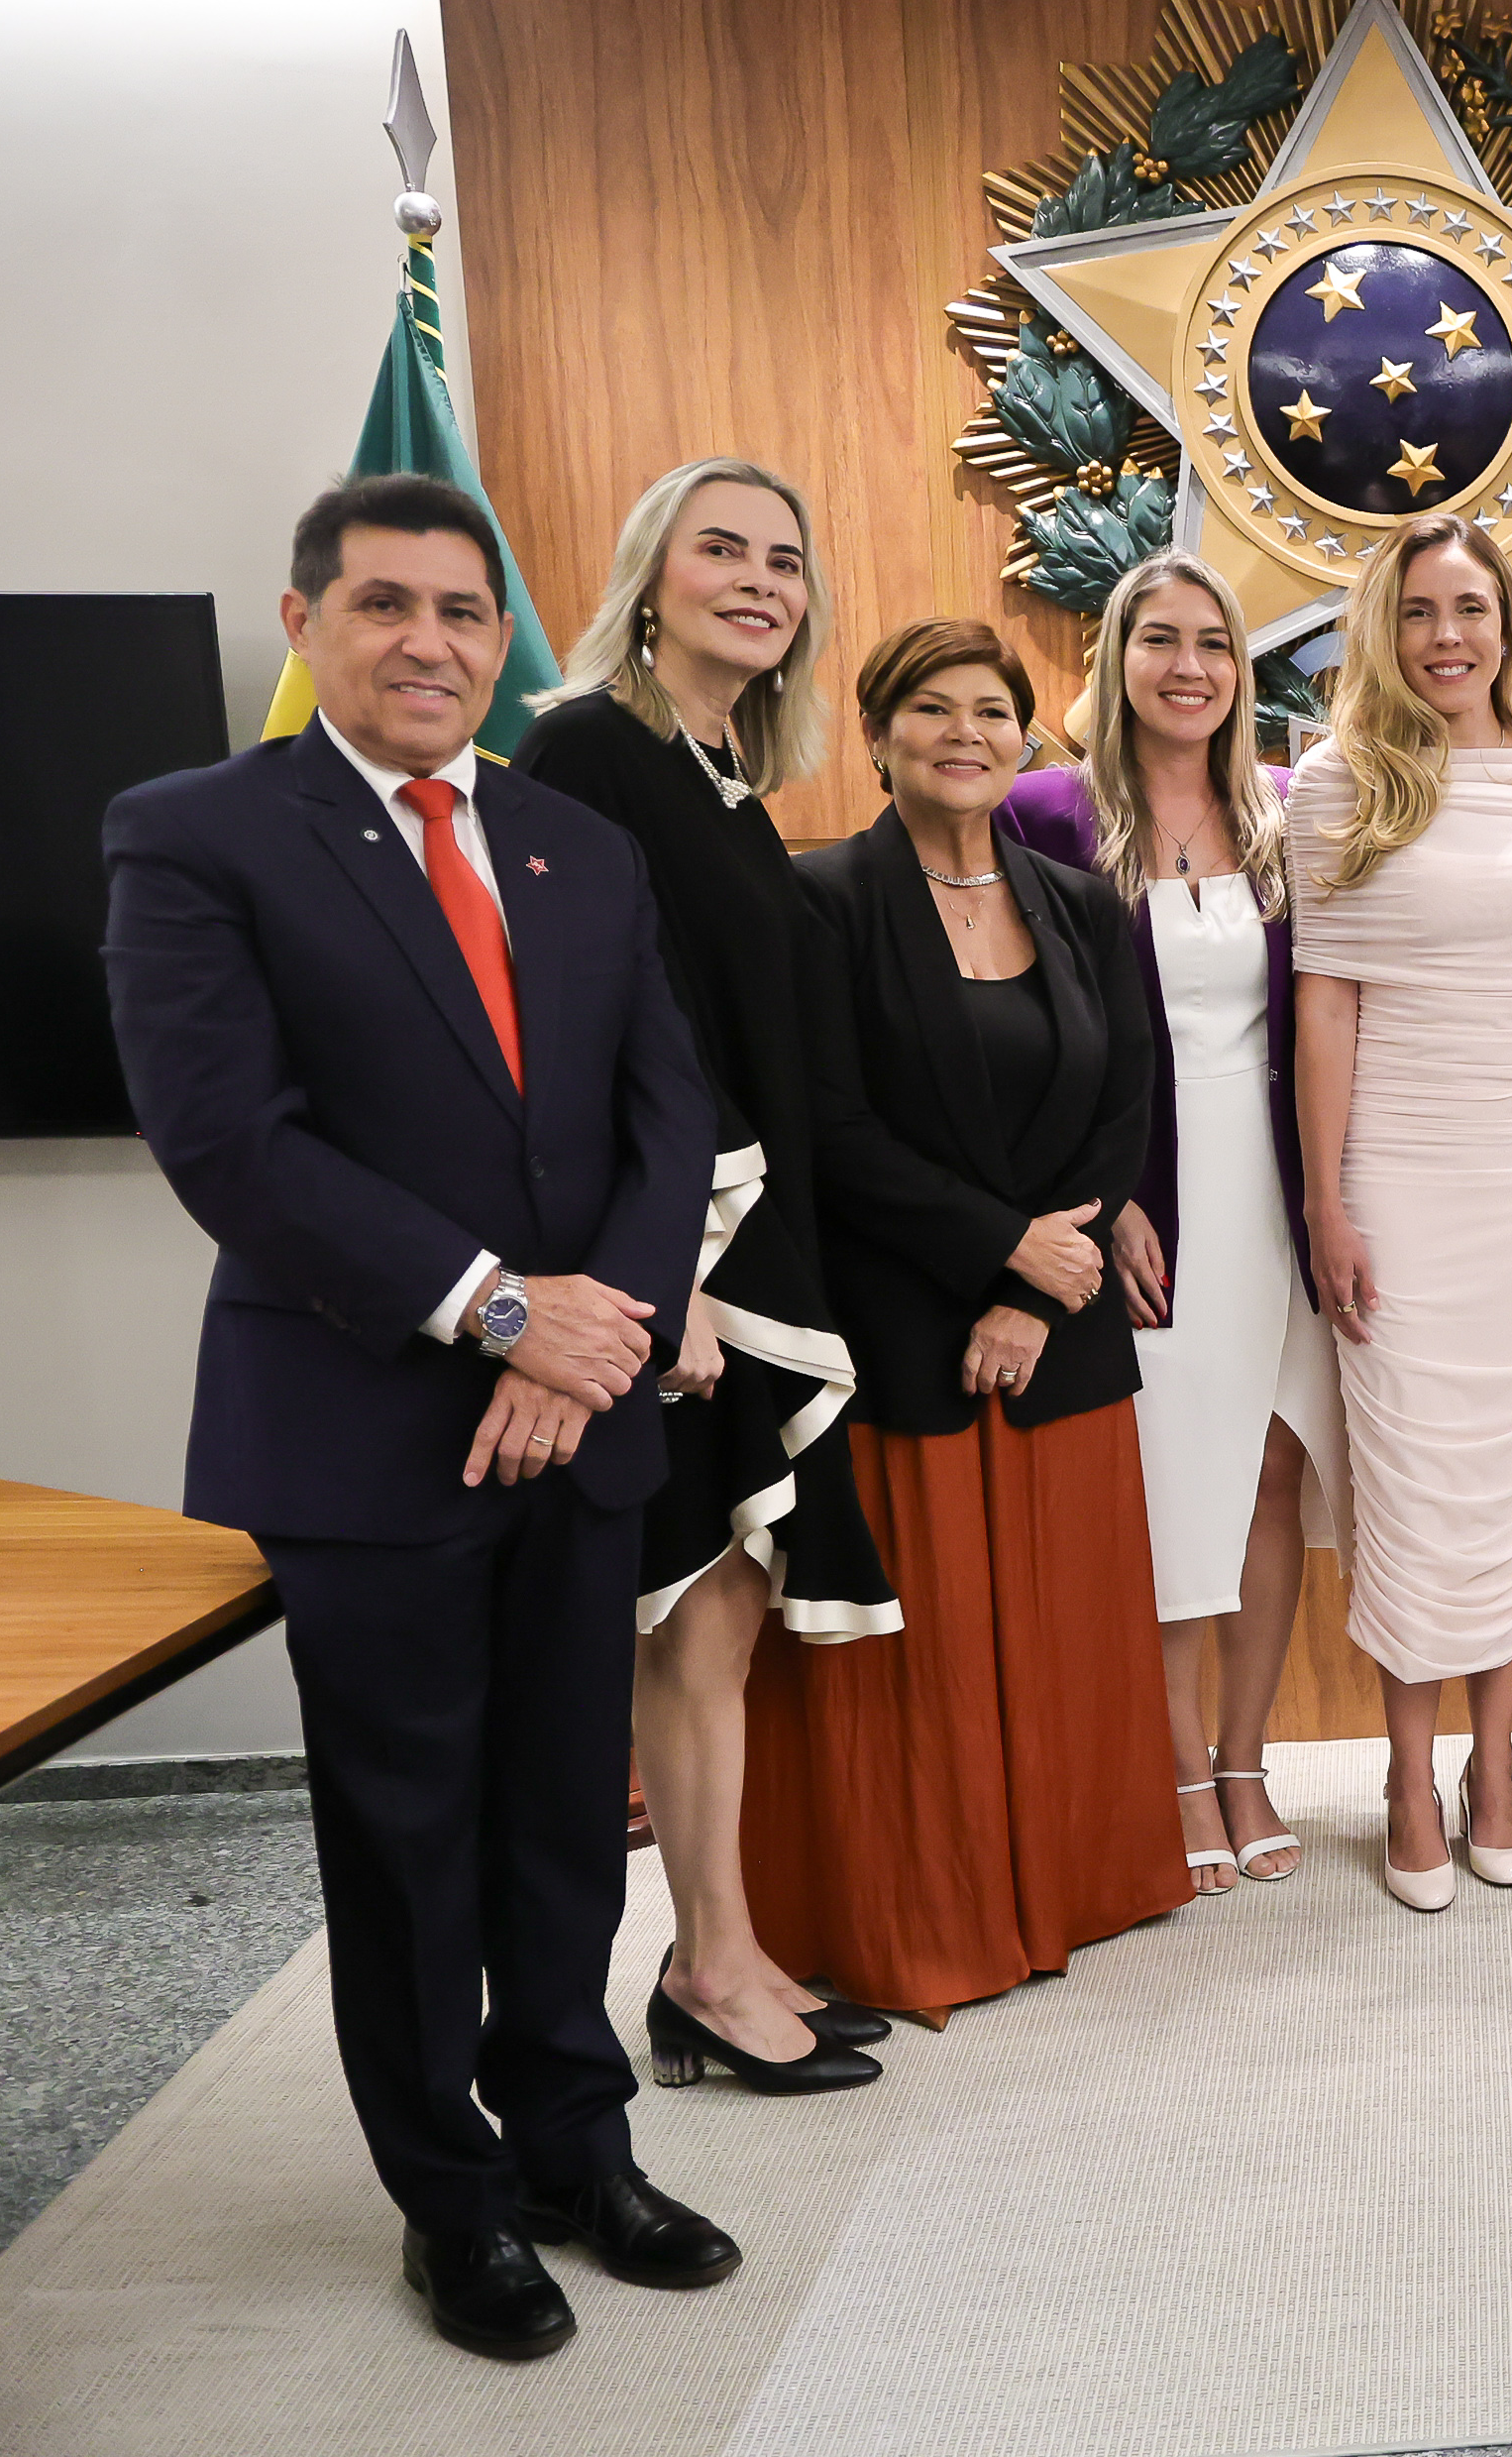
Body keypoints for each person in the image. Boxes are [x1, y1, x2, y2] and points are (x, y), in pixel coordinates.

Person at [102, 473, 730, 2360]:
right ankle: (449, 2203)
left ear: (500, 636)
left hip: (580, 1418)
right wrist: (504, 1316)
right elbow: (231, 1144)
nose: (430, 643)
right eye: (384, 605)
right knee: (407, 1836)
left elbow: (665, 1112)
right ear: (308, 624)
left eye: (463, 611)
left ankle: (575, 2147)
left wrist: (587, 1345)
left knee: (564, 1814)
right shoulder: (196, 834)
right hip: (367, 1427)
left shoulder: (572, 843)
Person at [512, 458, 891, 2095]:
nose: (757, 579)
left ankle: (713, 1955)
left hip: (757, 1233)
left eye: (783, 560)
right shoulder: (587, 747)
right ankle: (709, 1970)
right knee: (692, 1610)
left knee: (723, 1612)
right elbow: (576, 1033)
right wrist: (665, 1278)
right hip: (687, 1253)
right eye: (719, 549)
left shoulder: (722, 770)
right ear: (647, 578)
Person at [743, 618, 1182, 2018]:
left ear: (1024, 737)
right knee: (922, 1663)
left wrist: (1036, 1287)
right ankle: (935, 1921)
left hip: (1059, 1328)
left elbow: (1126, 1106)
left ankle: (1075, 1888)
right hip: (899, 1329)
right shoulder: (819, 899)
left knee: (1063, 1630)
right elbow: (825, 1127)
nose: (964, 734)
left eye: (990, 711)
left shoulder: (1086, 904)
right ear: (878, 736)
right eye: (930, 709)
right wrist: (999, 1250)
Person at [1291, 512, 1512, 1911]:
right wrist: (1325, 1201)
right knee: (1411, 1487)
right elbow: (1326, 1006)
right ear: (1388, 630)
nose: (1447, 637)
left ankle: (1496, 1770)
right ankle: (1406, 1774)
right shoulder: (1338, 778)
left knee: (1507, 1490)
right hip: (1398, 1183)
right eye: (1420, 611)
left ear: (1507, 625)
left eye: (1470, 609)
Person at [1000, 551, 1346, 1896]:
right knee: (1172, 1487)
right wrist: (1106, 1198)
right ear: (1117, 656)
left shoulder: (1285, 809)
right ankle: (1176, 1770)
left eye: (1213, 642)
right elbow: (1018, 1030)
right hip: (1144, 1191)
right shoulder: (1045, 812)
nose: (1188, 665)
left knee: (1272, 1471)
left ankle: (1246, 1759)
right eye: (1160, 638)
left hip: (1277, 1184)